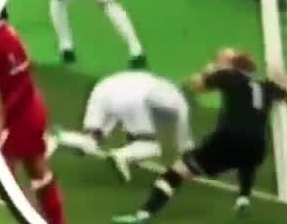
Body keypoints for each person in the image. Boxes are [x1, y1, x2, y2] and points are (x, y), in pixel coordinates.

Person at [112, 49, 287, 224]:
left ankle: (142, 215)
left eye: (221, 59)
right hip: (258, 146)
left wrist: (208, 70)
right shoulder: (265, 87)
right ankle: (243, 198)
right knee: (247, 157)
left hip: (229, 140)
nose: (218, 61)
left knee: (176, 173)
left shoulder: (228, 75)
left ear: (232, 65)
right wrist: (279, 76)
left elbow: (196, 86)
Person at [0, 12, 69, 224]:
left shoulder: (0, 41)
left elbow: (8, 77)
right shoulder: (7, 35)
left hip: (22, 114)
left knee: (10, 165)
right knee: (33, 168)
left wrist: (6, 122)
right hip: (30, 109)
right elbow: (26, 64)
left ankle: (45, 222)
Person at [53, 70, 193, 183]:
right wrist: (190, 163)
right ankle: (122, 155)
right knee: (153, 144)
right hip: (133, 99)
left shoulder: (158, 83)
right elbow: (184, 143)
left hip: (102, 89)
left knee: (91, 140)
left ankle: (59, 136)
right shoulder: (178, 106)